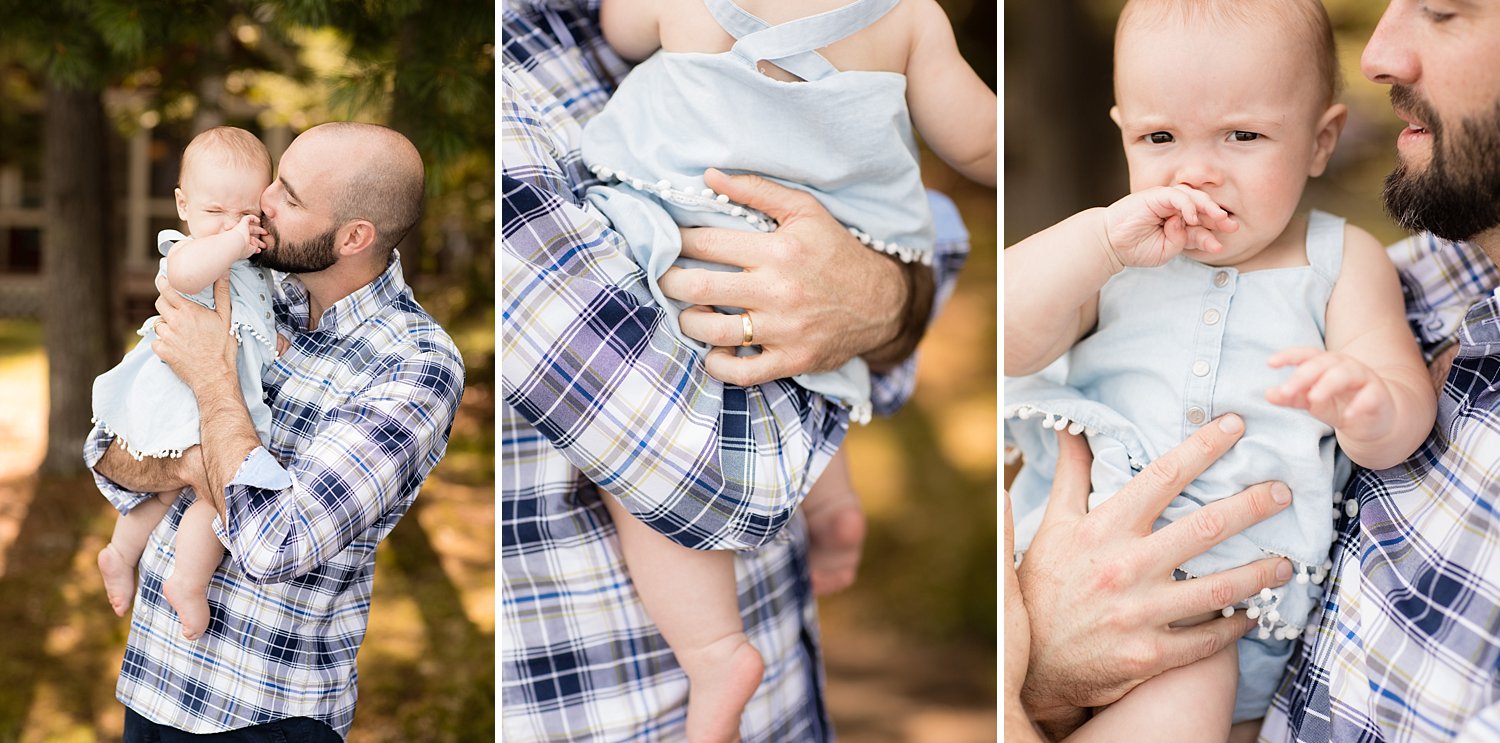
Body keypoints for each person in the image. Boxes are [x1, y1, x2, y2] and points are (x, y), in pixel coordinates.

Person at [1006, 0, 1500, 740]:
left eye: (1243, 135)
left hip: (1224, 619)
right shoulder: (1117, 255)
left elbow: (1401, 417)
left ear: (1318, 141)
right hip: (1065, 564)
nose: (1196, 170)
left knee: (1195, 696)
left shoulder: (1342, 261)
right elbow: (1009, 342)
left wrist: (1364, 404)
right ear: (1125, 134)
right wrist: (1100, 242)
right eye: (1160, 136)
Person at [500, 0, 974, 739]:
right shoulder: (912, 15)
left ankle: (717, 650)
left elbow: (620, 32)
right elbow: (979, 142)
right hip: (824, 232)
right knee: (802, 359)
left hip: (694, 247)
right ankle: (832, 501)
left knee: (639, 470)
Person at [84, 121, 464, 740]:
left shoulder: (414, 367)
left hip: (261, 713)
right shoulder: (252, 288)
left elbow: (274, 546)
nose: (260, 203)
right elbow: (106, 451)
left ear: (353, 237)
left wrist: (211, 382)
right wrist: (187, 462)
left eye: (286, 195)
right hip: (155, 682)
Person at [93, 126, 277, 641]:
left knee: (199, 492)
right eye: (214, 211)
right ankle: (186, 582)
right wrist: (235, 240)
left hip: (217, 397)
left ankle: (122, 553)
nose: (230, 225)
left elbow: (258, 323)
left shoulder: (253, 269)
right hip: (179, 392)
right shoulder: (186, 249)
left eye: (247, 214)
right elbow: (189, 277)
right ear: (183, 204)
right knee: (213, 491)